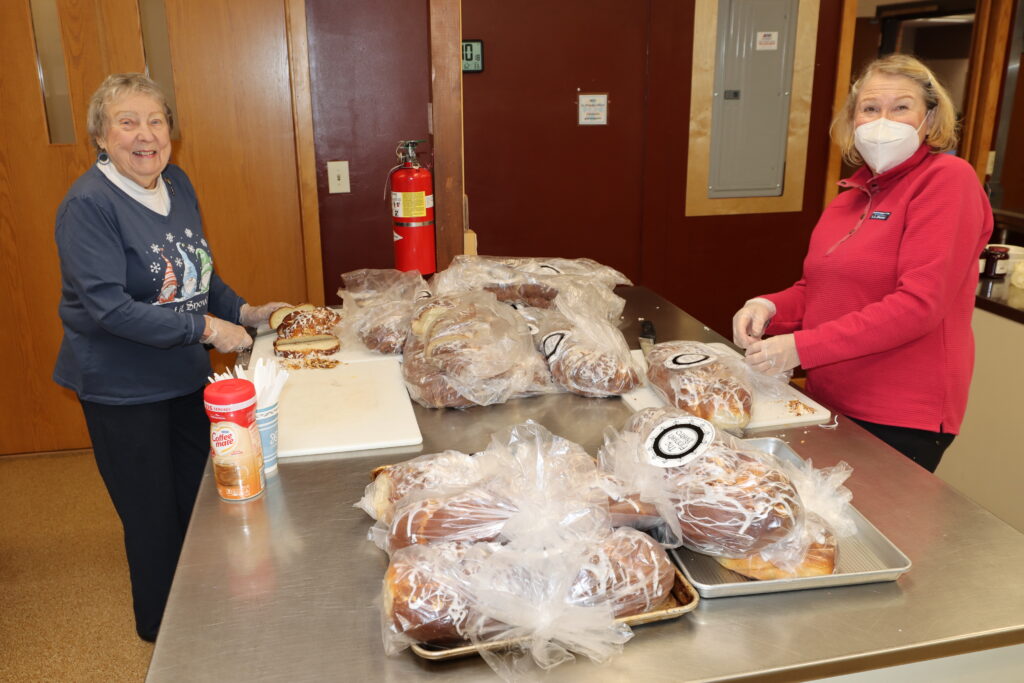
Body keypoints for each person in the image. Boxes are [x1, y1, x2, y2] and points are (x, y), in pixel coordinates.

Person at [53, 73, 289, 641]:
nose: (145, 135)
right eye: (127, 122)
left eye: (155, 121)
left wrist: (249, 312)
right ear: (101, 137)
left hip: (183, 375)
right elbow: (110, 309)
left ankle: (208, 615)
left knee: (203, 502)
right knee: (153, 519)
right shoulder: (88, 205)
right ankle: (166, 639)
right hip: (121, 388)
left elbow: (195, 275)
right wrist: (208, 328)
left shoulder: (175, 183)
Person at [732, 54, 992, 473]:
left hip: (900, 414)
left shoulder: (947, 180)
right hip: (827, 398)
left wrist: (802, 347)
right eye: (870, 108)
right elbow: (817, 289)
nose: (882, 120)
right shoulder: (850, 196)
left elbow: (919, 306)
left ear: (930, 118)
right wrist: (769, 307)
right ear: (853, 121)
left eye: (900, 107)